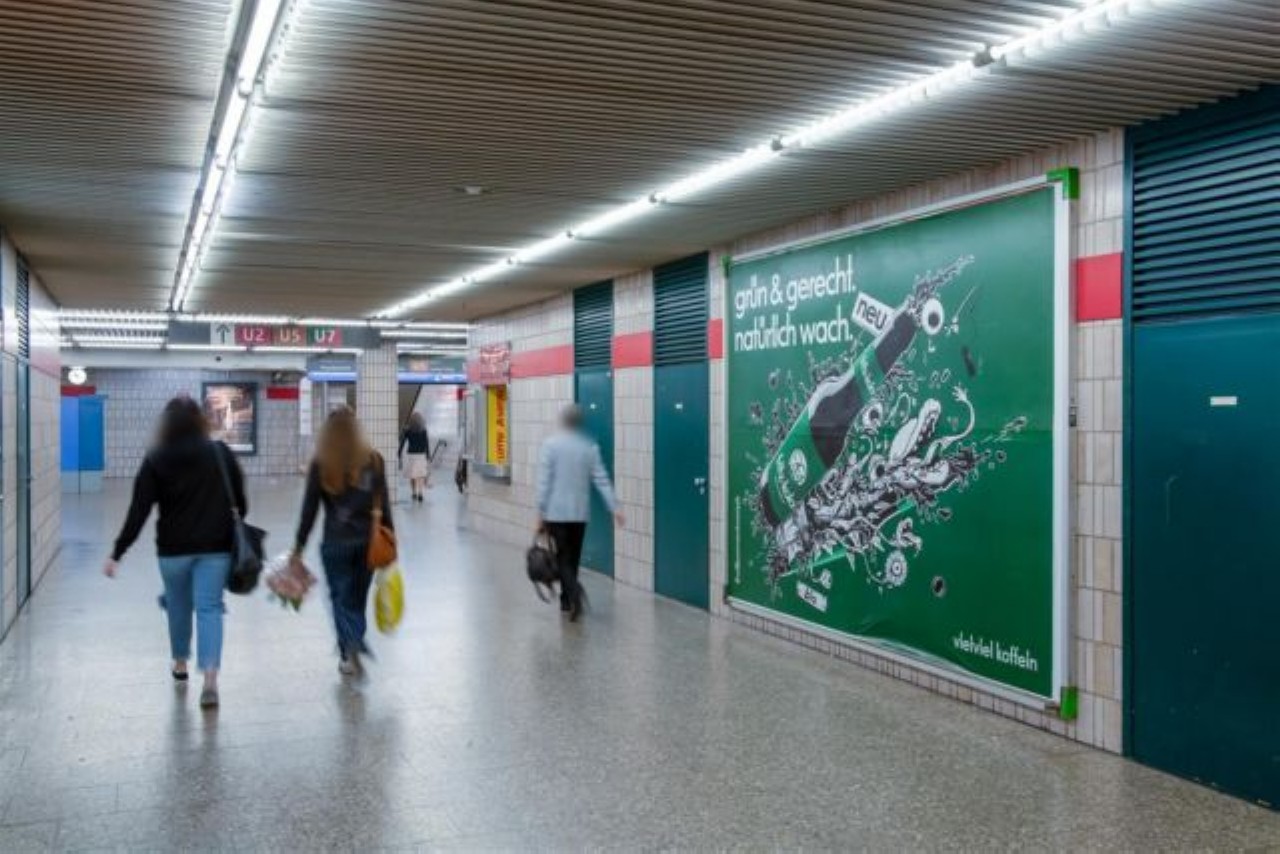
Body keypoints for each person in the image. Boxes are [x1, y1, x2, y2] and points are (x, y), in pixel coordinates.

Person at [104, 396, 246, 710]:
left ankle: (180, 663)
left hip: (172, 551)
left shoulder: (157, 458)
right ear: (200, 421)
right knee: (210, 608)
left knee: (178, 606)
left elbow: (139, 510)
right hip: (215, 548)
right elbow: (240, 500)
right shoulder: (219, 453)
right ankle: (210, 680)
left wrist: (118, 552)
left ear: (166, 424)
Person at [293, 407, 393, 676]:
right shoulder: (374, 461)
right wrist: (390, 541)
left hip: (335, 542)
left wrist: (298, 547)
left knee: (340, 598)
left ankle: (350, 648)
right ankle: (352, 645)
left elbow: (309, 510)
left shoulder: (321, 463)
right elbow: (383, 505)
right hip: (367, 543)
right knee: (357, 599)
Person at [535, 405, 623, 621]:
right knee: (572, 558)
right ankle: (567, 600)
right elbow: (601, 478)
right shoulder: (589, 447)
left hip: (556, 514)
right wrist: (614, 507)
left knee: (563, 558)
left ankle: (574, 596)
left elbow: (544, 482)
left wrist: (540, 512)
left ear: (563, 422)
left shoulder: (550, 445)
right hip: (579, 515)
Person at [398, 411, 431, 501]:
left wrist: (399, 453)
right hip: (421, 455)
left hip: (411, 455)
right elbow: (426, 444)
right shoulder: (424, 431)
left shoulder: (408, 431)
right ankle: (420, 493)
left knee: (412, 475)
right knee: (420, 475)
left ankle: (414, 493)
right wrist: (428, 456)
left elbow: (402, 442)